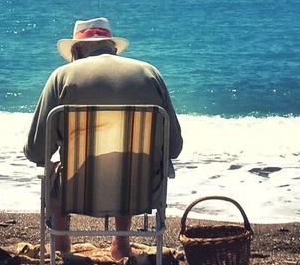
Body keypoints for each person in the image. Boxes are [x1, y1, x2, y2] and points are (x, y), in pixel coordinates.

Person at [24, 17, 184, 261]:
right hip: (141, 190)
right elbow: (174, 148)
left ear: (77, 51)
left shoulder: (62, 77)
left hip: (75, 191)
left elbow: (37, 151)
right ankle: (121, 243)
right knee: (129, 161)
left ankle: (61, 241)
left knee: (52, 170)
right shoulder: (150, 74)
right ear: (113, 48)